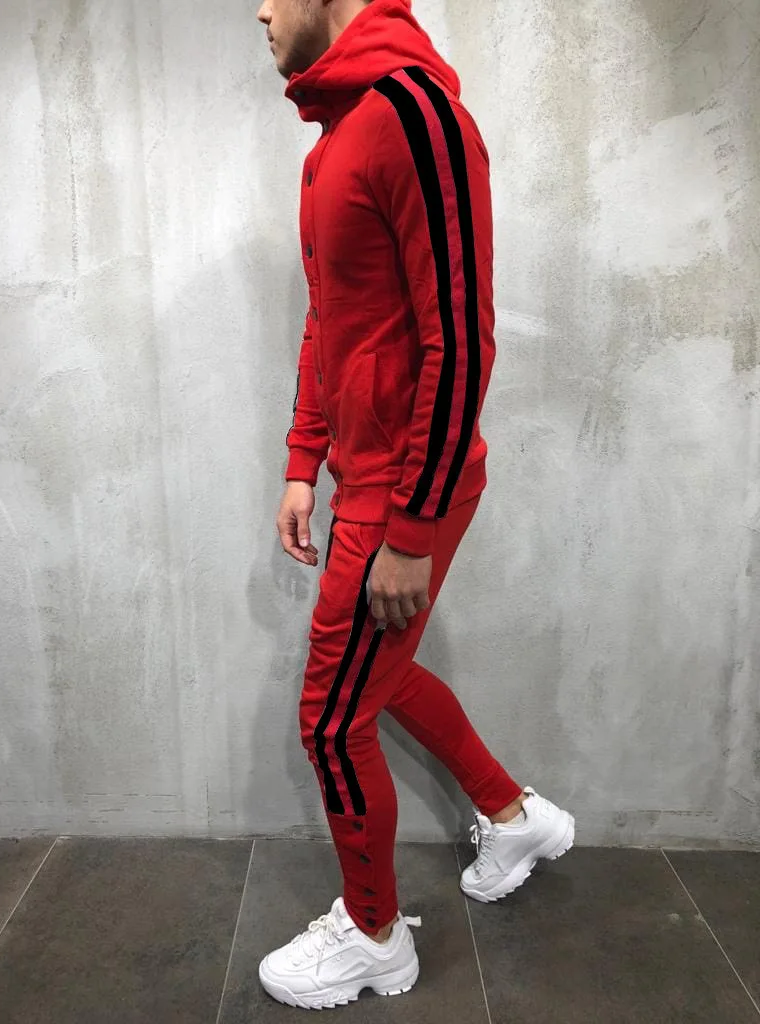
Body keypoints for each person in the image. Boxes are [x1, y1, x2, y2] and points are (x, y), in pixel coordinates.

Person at [258, 0, 575, 1009]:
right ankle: (512, 814)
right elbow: (331, 318)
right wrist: (303, 461)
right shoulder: (334, 141)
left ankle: (373, 936)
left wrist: (409, 527)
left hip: (406, 488)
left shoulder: (416, 114)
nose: (259, 10)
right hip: (365, 475)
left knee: (330, 718)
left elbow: (461, 338)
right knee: (377, 680)